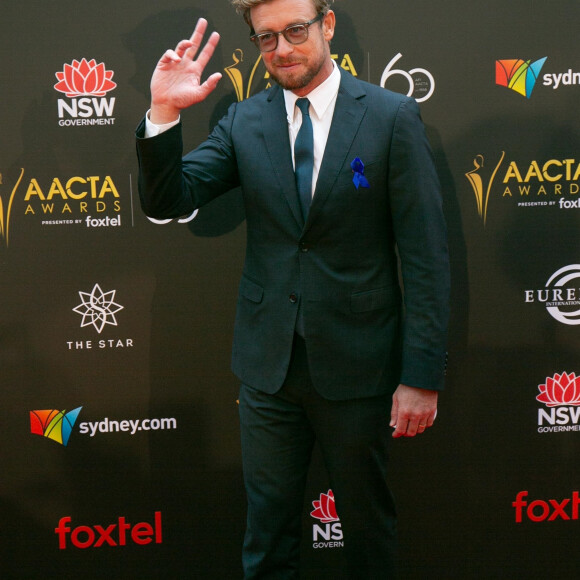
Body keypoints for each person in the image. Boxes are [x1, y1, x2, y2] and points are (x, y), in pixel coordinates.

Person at [136, 0, 450, 577]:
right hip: (268, 370)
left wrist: (420, 377)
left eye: (295, 31)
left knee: (368, 535)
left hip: (360, 366)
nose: (282, 49)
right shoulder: (243, 122)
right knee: (267, 535)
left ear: (327, 25)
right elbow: (167, 200)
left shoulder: (390, 115)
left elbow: (427, 258)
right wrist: (162, 112)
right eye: (266, 38)